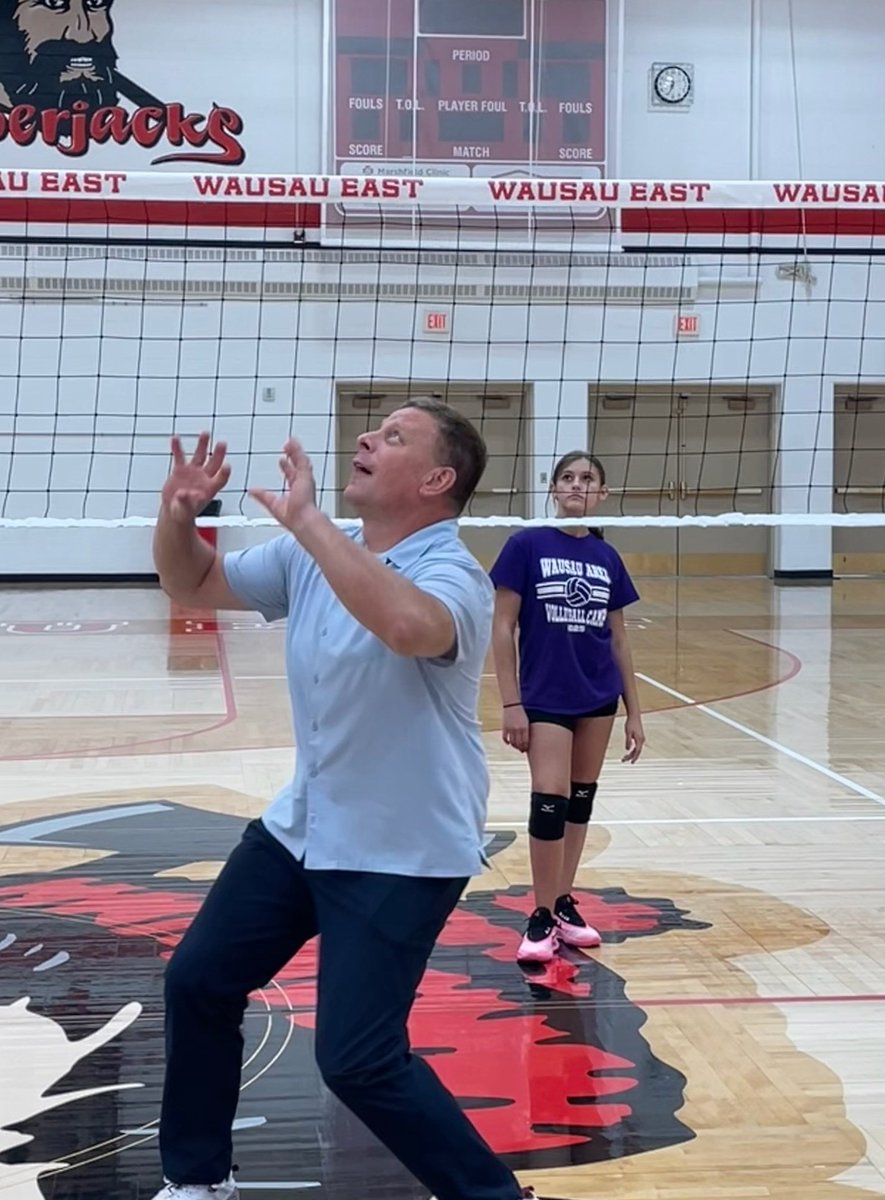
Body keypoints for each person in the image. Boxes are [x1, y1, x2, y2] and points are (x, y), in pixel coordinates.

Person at [150, 398, 535, 1200]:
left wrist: (310, 524)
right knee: (198, 982)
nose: (366, 437)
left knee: (358, 1058)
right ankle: (197, 1182)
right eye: (374, 428)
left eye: (393, 436)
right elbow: (191, 584)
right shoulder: (316, 553)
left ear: (436, 479)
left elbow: (407, 626)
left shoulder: (452, 575)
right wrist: (180, 517)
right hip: (303, 828)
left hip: (401, 848)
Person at [489, 451, 645, 964]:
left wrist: (635, 713)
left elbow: (619, 641)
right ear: (554, 489)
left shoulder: (608, 558)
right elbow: (502, 628)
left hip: (597, 696)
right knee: (549, 796)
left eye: (588, 479)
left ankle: (561, 902)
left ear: (602, 493)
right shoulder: (525, 545)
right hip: (545, 696)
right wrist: (511, 702)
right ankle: (538, 914)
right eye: (568, 478)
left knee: (580, 798)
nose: (578, 486)